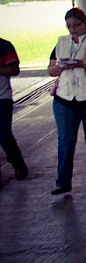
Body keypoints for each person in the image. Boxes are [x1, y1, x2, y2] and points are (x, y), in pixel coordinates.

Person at [47, 7, 86, 196]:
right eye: (69, 26)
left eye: (76, 25)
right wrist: (61, 66)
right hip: (65, 97)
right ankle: (63, 182)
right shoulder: (61, 42)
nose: (73, 30)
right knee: (65, 142)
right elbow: (50, 70)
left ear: (85, 23)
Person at [0, 37, 29, 190]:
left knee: (3, 134)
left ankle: (18, 163)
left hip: (2, 98)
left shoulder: (4, 45)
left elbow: (14, 69)